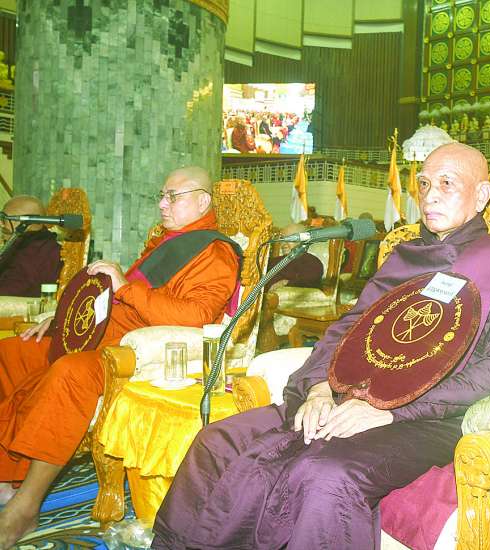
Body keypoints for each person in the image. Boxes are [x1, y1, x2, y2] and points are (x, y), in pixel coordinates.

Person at [151, 142, 490, 549]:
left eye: (447, 184)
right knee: (216, 440)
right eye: (424, 183)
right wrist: (319, 389)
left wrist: (391, 410)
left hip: (431, 418)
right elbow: (348, 329)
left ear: (481, 195)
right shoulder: (406, 258)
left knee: (323, 474)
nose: (430, 195)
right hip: (349, 397)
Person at [0, 167, 241, 548]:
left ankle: (25, 506)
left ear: (202, 201)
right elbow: (109, 300)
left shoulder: (214, 252)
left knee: (69, 372)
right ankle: (7, 476)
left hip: (130, 352)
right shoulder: (166, 242)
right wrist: (62, 319)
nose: (162, 204)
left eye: (173, 197)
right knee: (11, 352)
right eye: (161, 195)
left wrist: (126, 287)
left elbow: (195, 315)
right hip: (97, 335)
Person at [0, 195, 62, 297]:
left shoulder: (37, 252)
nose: (1, 224)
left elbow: (9, 290)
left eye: (4, 219)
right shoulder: (20, 243)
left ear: (25, 222)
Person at [266, 222, 325, 289]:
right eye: (282, 239)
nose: (283, 243)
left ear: (303, 241)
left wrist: (286, 283)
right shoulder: (273, 261)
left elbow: (309, 282)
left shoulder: (310, 261)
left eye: (289, 239)